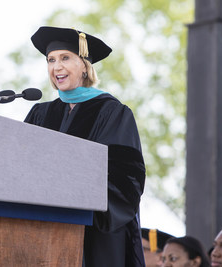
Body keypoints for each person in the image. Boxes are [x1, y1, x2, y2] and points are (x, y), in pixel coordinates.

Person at [25, 26, 146, 266]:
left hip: (95, 231)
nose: (56, 67)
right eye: (51, 60)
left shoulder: (112, 112)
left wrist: (68, 183)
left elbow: (126, 177)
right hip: (42, 228)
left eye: (65, 58)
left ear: (84, 66)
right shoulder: (40, 113)